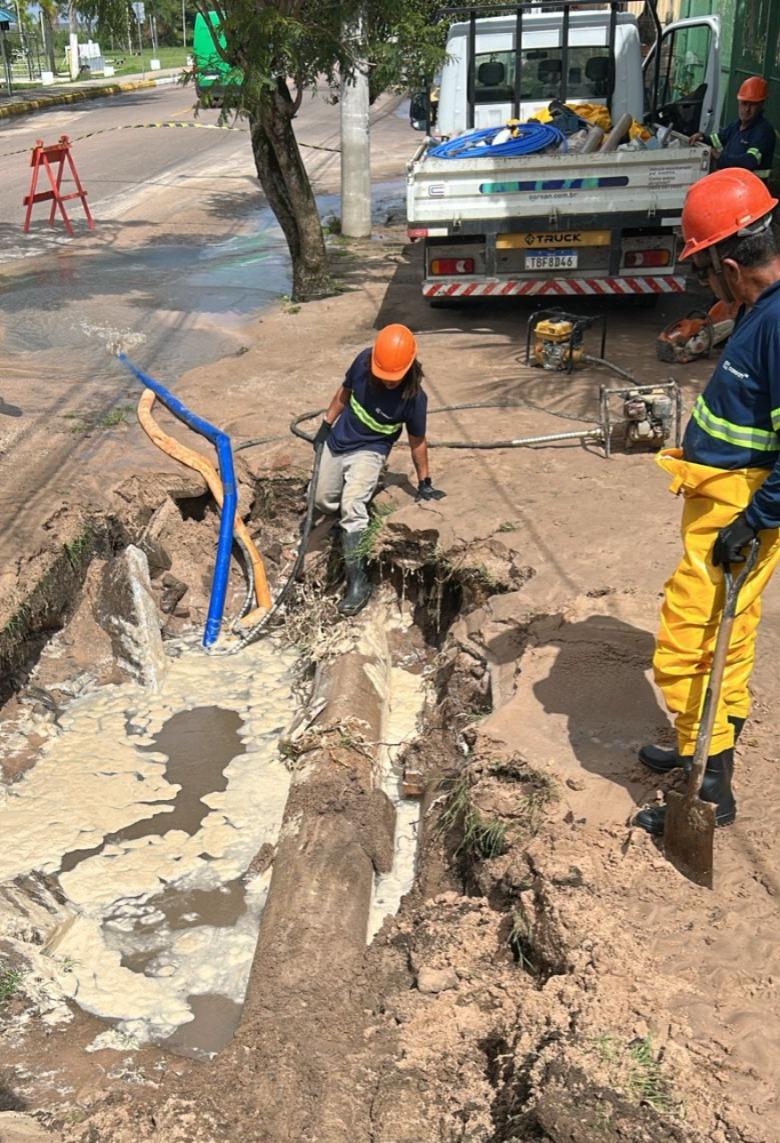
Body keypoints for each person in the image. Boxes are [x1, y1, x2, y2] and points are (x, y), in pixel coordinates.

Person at [635, 168, 780, 835]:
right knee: (734, 629)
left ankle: (709, 785)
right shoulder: (759, 307)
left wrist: (754, 519)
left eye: (703, 275)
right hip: (726, 496)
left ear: (728, 264)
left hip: (740, 504)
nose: (704, 288)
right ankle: (705, 749)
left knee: (688, 639)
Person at [312, 323, 445, 617]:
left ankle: (357, 582)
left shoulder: (414, 399)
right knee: (322, 500)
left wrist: (424, 482)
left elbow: (417, 441)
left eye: (393, 379)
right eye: (384, 376)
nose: (388, 382)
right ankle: (349, 521)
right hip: (339, 440)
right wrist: (325, 425)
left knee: (352, 505)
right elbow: (343, 393)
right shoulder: (362, 362)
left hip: (371, 450)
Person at [690, 76, 775, 180]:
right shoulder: (736, 125)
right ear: (739, 103)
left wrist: (719, 157)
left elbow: (749, 161)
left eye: (752, 105)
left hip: (750, 189)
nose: (747, 109)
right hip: (731, 184)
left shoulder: (763, 132)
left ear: (761, 105)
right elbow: (717, 140)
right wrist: (701, 137)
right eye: (744, 103)